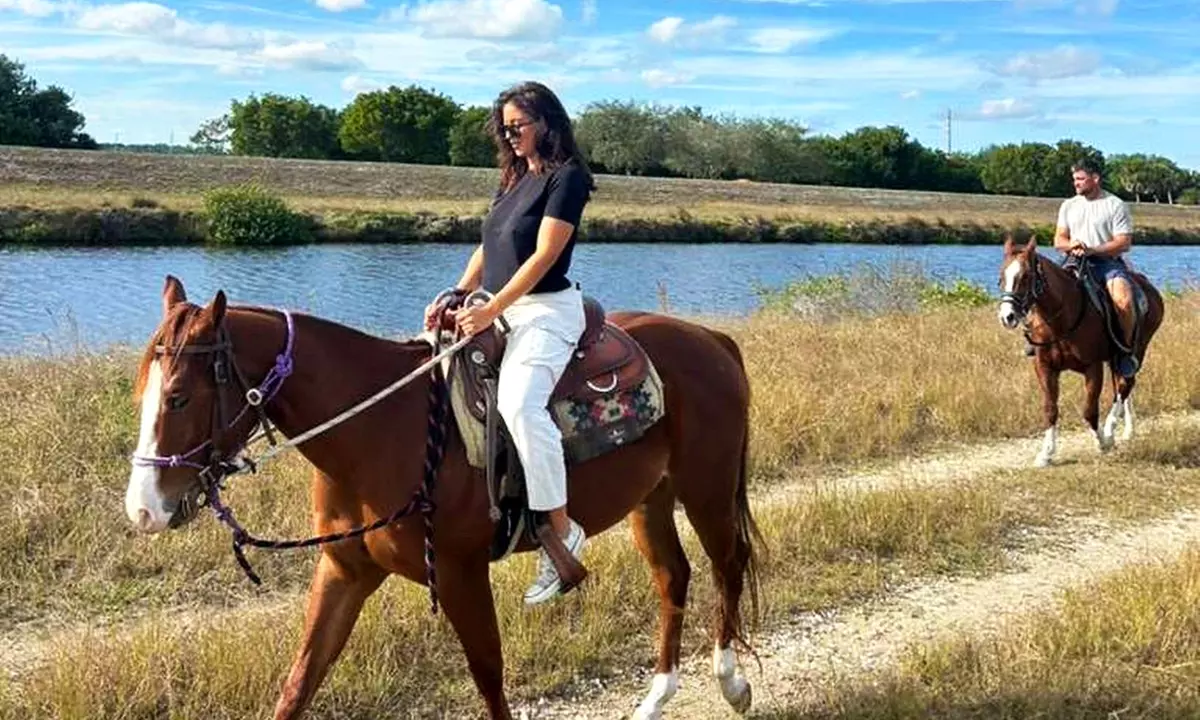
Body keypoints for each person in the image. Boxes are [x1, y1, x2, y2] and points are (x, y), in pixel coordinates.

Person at [424, 81, 595, 605]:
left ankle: (560, 531)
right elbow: (489, 245)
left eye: (517, 125)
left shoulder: (568, 179)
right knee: (425, 355)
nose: (509, 134)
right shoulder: (514, 176)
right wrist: (457, 294)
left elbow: (543, 256)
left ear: (546, 122)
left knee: (520, 406)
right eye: (503, 126)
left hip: (546, 311)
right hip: (496, 305)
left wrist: (491, 309)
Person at [1027, 158, 1140, 377]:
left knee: (1123, 300)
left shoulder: (1115, 204)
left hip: (1106, 263)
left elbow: (1123, 242)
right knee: (1039, 288)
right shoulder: (1069, 205)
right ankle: (1039, 339)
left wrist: (1093, 250)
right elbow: (1059, 240)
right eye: (1074, 179)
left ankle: (1124, 351)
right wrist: (1071, 245)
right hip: (1072, 261)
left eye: (1080, 179)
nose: (1075, 183)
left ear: (1095, 179)